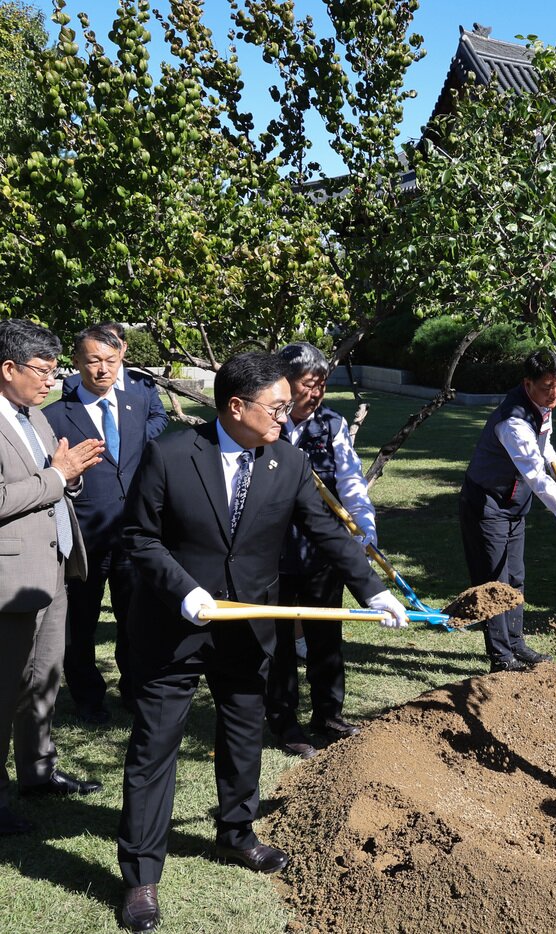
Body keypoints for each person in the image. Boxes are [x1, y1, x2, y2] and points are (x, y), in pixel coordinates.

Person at [115, 352, 407, 931]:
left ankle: (238, 831)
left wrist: (372, 592)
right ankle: (142, 877)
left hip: (249, 623)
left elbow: (327, 532)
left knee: (244, 729)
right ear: (236, 407)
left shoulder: (288, 461)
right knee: (155, 748)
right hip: (175, 628)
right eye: (275, 406)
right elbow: (138, 538)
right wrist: (184, 591)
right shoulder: (171, 454)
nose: (285, 415)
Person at [0, 320, 105, 838]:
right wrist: (57, 477)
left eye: (55, 371)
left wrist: (72, 478)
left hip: (56, 566)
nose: (51, 382)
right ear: (8, 368)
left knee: (45, 677)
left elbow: (53, 482)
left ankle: (38, 773)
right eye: (42, 372)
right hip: (11, 578)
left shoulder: (33, 417)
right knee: (5, 686)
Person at [265, 343, 378, 759]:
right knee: (277, 642)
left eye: (321, 385)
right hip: (273, 554)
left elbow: (350, 481)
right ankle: (284, 721)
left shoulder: (331, 425)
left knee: (326, 637)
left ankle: (328, 714)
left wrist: (364, 528)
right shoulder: (265, 427)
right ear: (284, 384)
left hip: (321, 553)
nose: (316, 393)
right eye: (308, 385)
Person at [44, 326, 153, 724]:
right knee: (81, 625)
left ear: (121, 358)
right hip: (83, 540)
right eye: (93, 361)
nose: (103, 369)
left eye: (110, 360)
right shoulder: (54, 417)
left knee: (134, 620)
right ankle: (88, 698)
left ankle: (134, 690)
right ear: (77, 363)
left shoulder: (136, 403)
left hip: (132, 536)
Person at [459, 350, 556, 673]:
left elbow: (542, 442)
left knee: (515, 576)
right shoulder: (513, 421)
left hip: (514, 504)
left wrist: (553, 457)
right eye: (548, 387)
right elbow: (537, 478)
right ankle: (502, 657)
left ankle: (516, 643)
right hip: (487, 504)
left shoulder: (543, 405)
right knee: (495, 582)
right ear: (527, 383)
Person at [62, 321, 168, 442]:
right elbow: (71, 421)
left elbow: (159, 416)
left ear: (123, 347)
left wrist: (136, 437)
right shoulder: (73, 383)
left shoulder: (143, 381)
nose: (103, 369)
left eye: (112, 342)